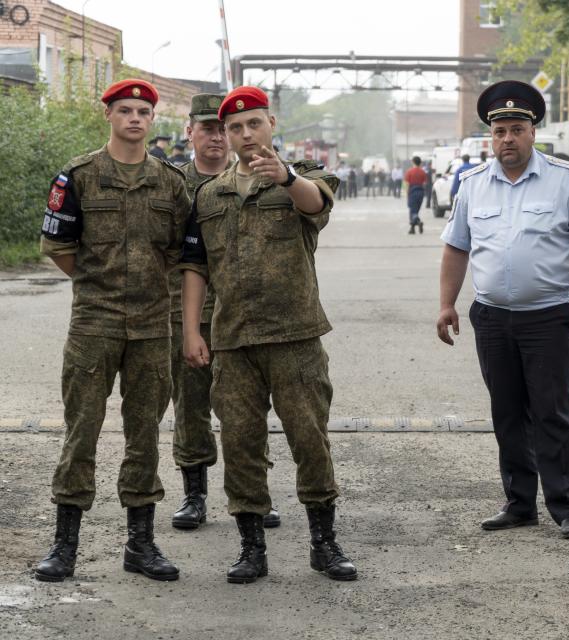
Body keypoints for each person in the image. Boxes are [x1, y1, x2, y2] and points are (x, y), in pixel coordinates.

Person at [180, 86, 356, 584]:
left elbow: (315, 204)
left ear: (271, 124)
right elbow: (194, 266)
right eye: (235, 127)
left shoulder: (304, 177)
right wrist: (192, 330)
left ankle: (324, 542)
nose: (244, 134)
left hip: (294, 337)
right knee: (240, 444)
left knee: (309, 439)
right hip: (233, 342)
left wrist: (286, 175)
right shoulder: (209, 195)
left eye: (253, 123)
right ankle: (251, 547)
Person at [35, 79, 190, 582]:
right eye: (125, 110)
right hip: (94, 323)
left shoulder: (170, 182)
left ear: (152, 120)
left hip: (152, 326)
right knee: (82, 432)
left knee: (144, 435)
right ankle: (64, 548)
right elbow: (58, 245)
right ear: (109, 116)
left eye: (143, 111)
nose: (135, 118)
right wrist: (96, 284)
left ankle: (141, 545)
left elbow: (185, 251)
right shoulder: (79, 175)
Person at [437, 80, 569, 540]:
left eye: (516, 129)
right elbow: (456, 248)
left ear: (533, 132)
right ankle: (519, 502)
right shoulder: (472, 185)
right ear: (491, 136)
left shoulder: (564, 180)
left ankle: (567, 507)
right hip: (491, 317)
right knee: (507, 412)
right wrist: (446, 304)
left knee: (553, 413)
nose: (507, 138)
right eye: (500, 131)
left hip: (548, 318)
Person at [167, 93, 281, 531]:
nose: (216, 136)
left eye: (222, 128)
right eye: (207, 128)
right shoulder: (172, 183)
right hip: (188, 313)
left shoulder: (258, 175)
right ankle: (194, 494)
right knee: (191, 404)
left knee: (248, 410)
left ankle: (257, 494)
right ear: (190, 132)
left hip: (243, 312)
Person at [404, 155, 428, 234]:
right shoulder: (423, 172)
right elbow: (424, 184)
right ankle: (412, 229)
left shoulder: (409, 172)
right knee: (416, 210)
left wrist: (407, 193)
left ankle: (418, 222)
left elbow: (406, 184)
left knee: (412, 211)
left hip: (412, 192)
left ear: (413, 162)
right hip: (420, 192)